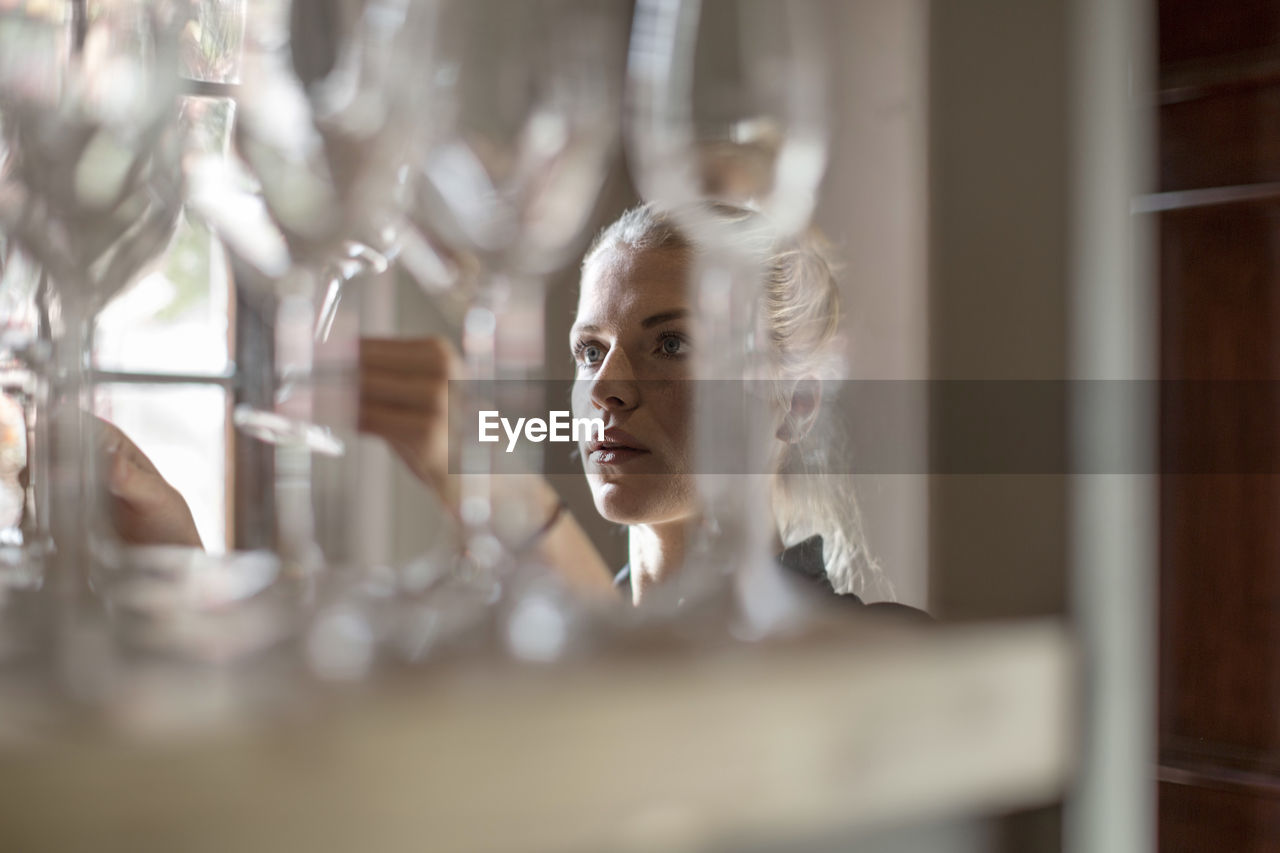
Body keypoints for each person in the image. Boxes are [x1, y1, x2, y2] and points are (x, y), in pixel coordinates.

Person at [360, 203, 906, 609]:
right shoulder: (529, 662)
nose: (603, 388)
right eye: (590, 351)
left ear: (797, 403)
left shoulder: (881, 656)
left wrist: (518, 507)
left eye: (673, 345)